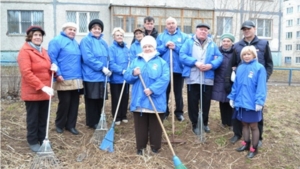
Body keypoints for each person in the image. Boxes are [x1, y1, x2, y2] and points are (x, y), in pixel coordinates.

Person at [228, 20, 273, 146]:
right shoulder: (237, 46)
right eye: (244, 29)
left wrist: (263, 79)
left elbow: (269, 64)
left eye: (249, 28)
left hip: (256, 86)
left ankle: (257, 140)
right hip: (242, 85)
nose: (246, 31)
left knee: (255, 118)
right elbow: (233, 64)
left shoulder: (263, 44)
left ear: (254, 29)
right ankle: (238, 135)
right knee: (240, 115)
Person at [123, 36, 170, 155]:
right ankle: (141, 147)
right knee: (140, 124)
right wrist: (133, 73)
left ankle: (155, 146)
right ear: (142, 48)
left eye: (150, 46)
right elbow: (127, 77)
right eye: (145, 46)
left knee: (155, 124)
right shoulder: (136, 61)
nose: (147, 48)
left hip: (155, 98)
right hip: (140, 98)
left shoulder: (161, 62)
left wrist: (152, 89)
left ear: (154, 47)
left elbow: (165, 78)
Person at [18, 26, 56, 152]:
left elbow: (47, 68)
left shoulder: (43, 51)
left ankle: (42, 138)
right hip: (33, 92)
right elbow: (26, 73)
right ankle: (32, 140)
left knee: (43, 117)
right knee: (33, 118)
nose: (38, 37)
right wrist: (42, 86)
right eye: (35, 35)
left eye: (40, 35)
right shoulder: (25, 51)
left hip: (45, 92)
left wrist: (54, 70)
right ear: (30, 37)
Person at [179, 23, 223, 134]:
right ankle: (195, 124)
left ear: (208, 33)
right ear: (196, 31)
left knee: (205, 102)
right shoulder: (189, 42)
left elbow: (220, 57)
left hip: (207, 78)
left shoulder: (212, 44)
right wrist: (196, 63)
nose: (203, 32)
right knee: (193, 102)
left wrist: (211, 65)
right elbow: (182, 55)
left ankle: (204, 123)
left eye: (205, 30)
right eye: (201, 30)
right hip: (193, 77)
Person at [228, 45, 267, 158]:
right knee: (244, 124)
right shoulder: (240, 68)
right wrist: (232, 97)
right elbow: (236, 85)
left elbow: (261, 86)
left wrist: (259, 101)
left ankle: (254, 148)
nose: (246, 56)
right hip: (240, 102)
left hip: (252, 102)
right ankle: (246, 143)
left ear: (254, 55)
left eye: (248, 54)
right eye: (244, 54)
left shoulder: (259, 68)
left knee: (253, 126)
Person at [48, 22, 83, 135]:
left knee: (74, 103)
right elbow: (52, 58)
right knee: (65, 102)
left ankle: (71, 125)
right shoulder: (56, 41)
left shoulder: (75, 43)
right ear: (64, 30)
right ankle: (59, 124)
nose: (72, 31)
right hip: (64, 77)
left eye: (74, 30)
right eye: (70, 29)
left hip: (76, 78)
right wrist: (58, 74)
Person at [80, 19, 113, 129]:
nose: (97, 30)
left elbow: (108, 58)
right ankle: (91, 121)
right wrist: (101, 67)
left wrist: (108, 68)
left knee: (100, 99)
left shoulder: (103, 42)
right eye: (94, 28)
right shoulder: (86, 40)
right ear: (90, 29)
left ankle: (99, 119)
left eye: (99, 28)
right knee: (92, 100)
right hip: (91, 76)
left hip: (102, 77)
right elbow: (88, 58)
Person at [156, 17, 188, 121]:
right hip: (164, 70)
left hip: (178, 69)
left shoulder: (183, 36)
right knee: (165, 91)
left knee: (178, 92)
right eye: (168, 23)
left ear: (176, 24)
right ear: (166, 25)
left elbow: (186, 50)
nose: (171, 25)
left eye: (172, 23)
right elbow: (155, 51)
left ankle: (179, 112)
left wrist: (176, 47)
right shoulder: (161, 37)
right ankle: (165, 112)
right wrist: (165, 46)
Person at [211, 33, 236, 128]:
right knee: (222, 101)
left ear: (231, 42)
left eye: (228, 41)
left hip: (230, 81)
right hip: (219, 80)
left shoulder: (235, 53)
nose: (225, 43)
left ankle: (232, 122)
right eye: (224, 41)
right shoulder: (217, 52)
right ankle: (224, 121)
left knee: (231, 101)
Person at [109, 27, 130, 125]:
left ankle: (123, 115)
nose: (119, 37)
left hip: (125, 78)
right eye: (117, 35)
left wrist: (128, 70)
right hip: (116, 78)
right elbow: (111, 63)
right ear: (114, 37)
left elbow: (129, 60)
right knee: (116, 98)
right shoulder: (111, 48)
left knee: (125, 97)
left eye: (121, 35)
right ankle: (116, 116)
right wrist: (121, 71)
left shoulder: (126, 48)